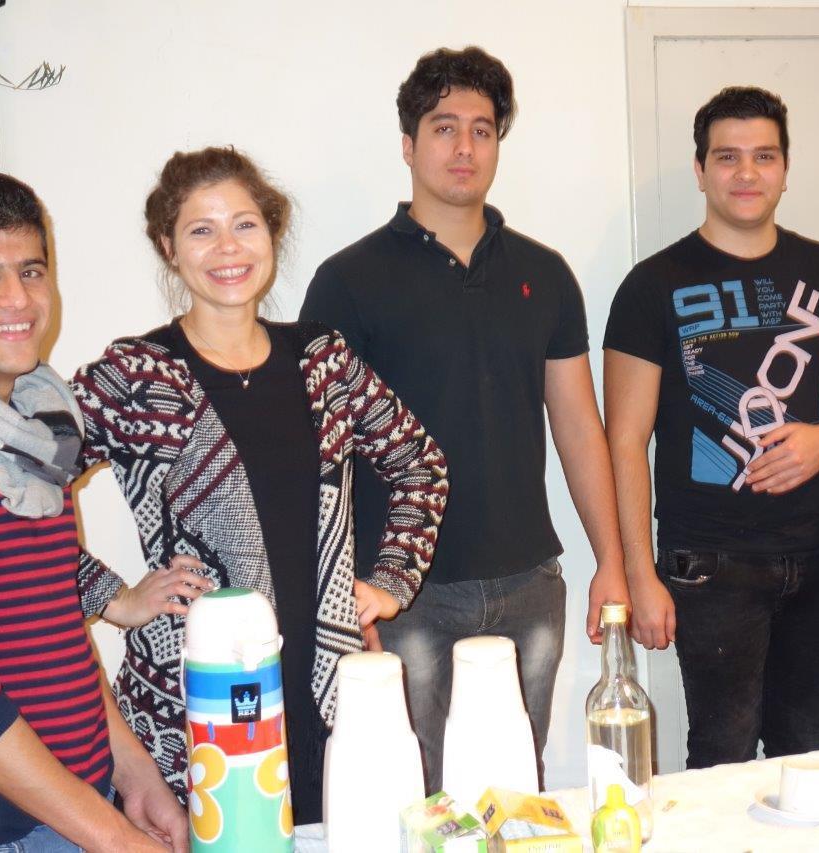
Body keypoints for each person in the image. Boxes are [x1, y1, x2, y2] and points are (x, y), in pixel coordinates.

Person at [71, 147, 448, 823]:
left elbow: (419, 463)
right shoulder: (138, 376)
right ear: (168, 247)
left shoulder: (322, 359)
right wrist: (113, 598)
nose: (228, 248)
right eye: (201, 229)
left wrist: (391, 582)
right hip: (194, 703)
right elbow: (17, 495)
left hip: (329, 694)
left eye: (244, 224)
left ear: (271, 233)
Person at [301, 46, 629, 792]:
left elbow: (580, 427)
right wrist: (343, 596)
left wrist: (609, 560)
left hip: (529, 581)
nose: (464, 147)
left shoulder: (544, 274)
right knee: (415, 794)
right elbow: (323, 456)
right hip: (402, 592)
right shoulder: (347, 281)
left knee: (517, 788)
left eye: (482, 130)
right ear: (408, 144)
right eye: (444, 127)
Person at [0, 170, 185, 851]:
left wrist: (133, 772)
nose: (17, 299)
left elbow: (55, 620)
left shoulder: (39, 430)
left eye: (31, 271)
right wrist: (113, 837)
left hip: (71, 808)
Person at [603, 86, 819, 768]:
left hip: (818, 557)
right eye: (727, 157)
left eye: (764, 156)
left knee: (804, 753)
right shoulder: (652, 285)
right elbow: (625, 442)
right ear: (700, 171)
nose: (746, 172)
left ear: (785, 169)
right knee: (720, 755)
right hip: (708, 564)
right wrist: (640, 573)